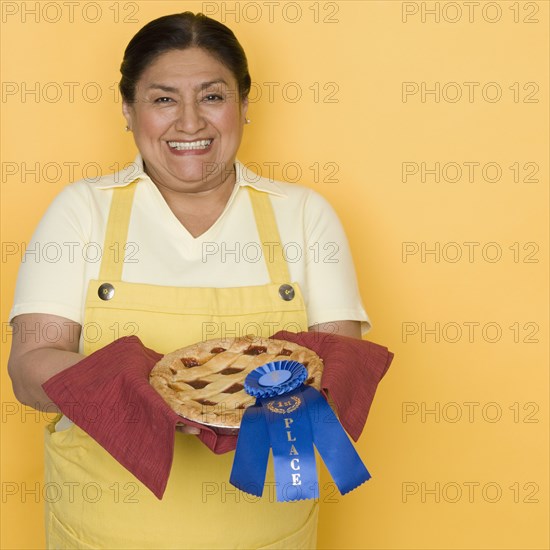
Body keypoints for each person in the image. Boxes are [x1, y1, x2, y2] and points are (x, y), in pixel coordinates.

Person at [8, 12, 370, 549]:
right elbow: (29, 371)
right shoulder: (81, 211)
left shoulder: (303, 216)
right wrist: (150, 392)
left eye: (212, 96)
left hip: (268, 534)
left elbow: (341, 377)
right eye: (163, 99)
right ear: (128, 110)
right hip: (103, 534)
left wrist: (240, 406)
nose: (190, 123)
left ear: (244, 106)